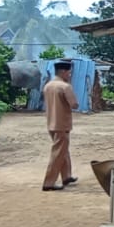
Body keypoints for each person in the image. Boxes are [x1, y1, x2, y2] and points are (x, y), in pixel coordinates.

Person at [41, 60, 79, 191]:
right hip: (62, 123)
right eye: (69, 72)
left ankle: (66, 176)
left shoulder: (48, 85)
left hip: (51, 123)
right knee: (58, 153)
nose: (70, 75)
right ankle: (49, 183)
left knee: (63, 150)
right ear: (63, 72)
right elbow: (74, 104)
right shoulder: (65, 86)